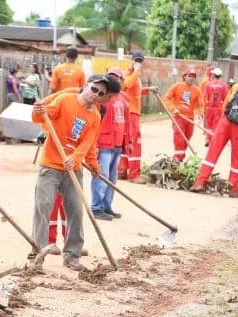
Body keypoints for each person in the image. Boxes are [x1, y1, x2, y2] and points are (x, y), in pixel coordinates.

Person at [30, 74, 121, 272]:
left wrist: (80, 159)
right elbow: (39, 117)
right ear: (87, 86)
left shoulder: (95, 116)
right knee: (43, 207)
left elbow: (88, 143)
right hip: (50, 165)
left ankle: (72, 254)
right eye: (94, 89)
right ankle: (36, 255)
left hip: (73, 169)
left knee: (76, 211)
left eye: (101, 93)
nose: (96, 94)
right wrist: (38, 111)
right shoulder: (65, 100)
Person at [91, 67, 134, 221]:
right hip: (103, 143)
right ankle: (96, 208)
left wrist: (128, 141)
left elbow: (127, 121)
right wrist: (93, 145)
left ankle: (107, 206)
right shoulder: (101, 98)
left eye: (118, 77)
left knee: (112, 179)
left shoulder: (123, 98)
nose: (115, 80)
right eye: (111, 77)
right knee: (102, 176)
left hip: (117, 144)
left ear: (122, 81)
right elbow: (94, 121)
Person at [118, 51, 156, 181]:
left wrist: (148, 89)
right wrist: (136, 71)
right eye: (136, 61)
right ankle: (134, 174)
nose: (138, 63)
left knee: (127, 140)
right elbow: (127, 84)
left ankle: (122, 170)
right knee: (135, 141)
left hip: (133, 112)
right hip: (131, 112)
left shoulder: (135, 76)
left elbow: (135, 91)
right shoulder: (127, 74)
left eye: (140, 61)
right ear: (132, 61)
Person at [163, 67, 203, 162]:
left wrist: (201, 113)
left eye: (193, 76)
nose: (191, 78)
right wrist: (174, 108)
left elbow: (201, 104)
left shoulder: (197, 90)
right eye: (189, 76)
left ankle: (180, 158)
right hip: (178, 117)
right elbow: (167, 99)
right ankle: (177, 159)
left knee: (186, 139)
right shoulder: (177, 86)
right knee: (179, 139)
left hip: (190, 119)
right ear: (184, 76)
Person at [202, 67, 228, 147]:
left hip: (209, 107)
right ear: (220, 76)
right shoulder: (224, 85)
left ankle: (207, 139)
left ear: (213, 75)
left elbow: (205, 96)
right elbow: (225, 98)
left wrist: (204, 108)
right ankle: (213, 140)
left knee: (208, 124)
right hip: (218, 108)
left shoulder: (208, 84)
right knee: (215, 125)